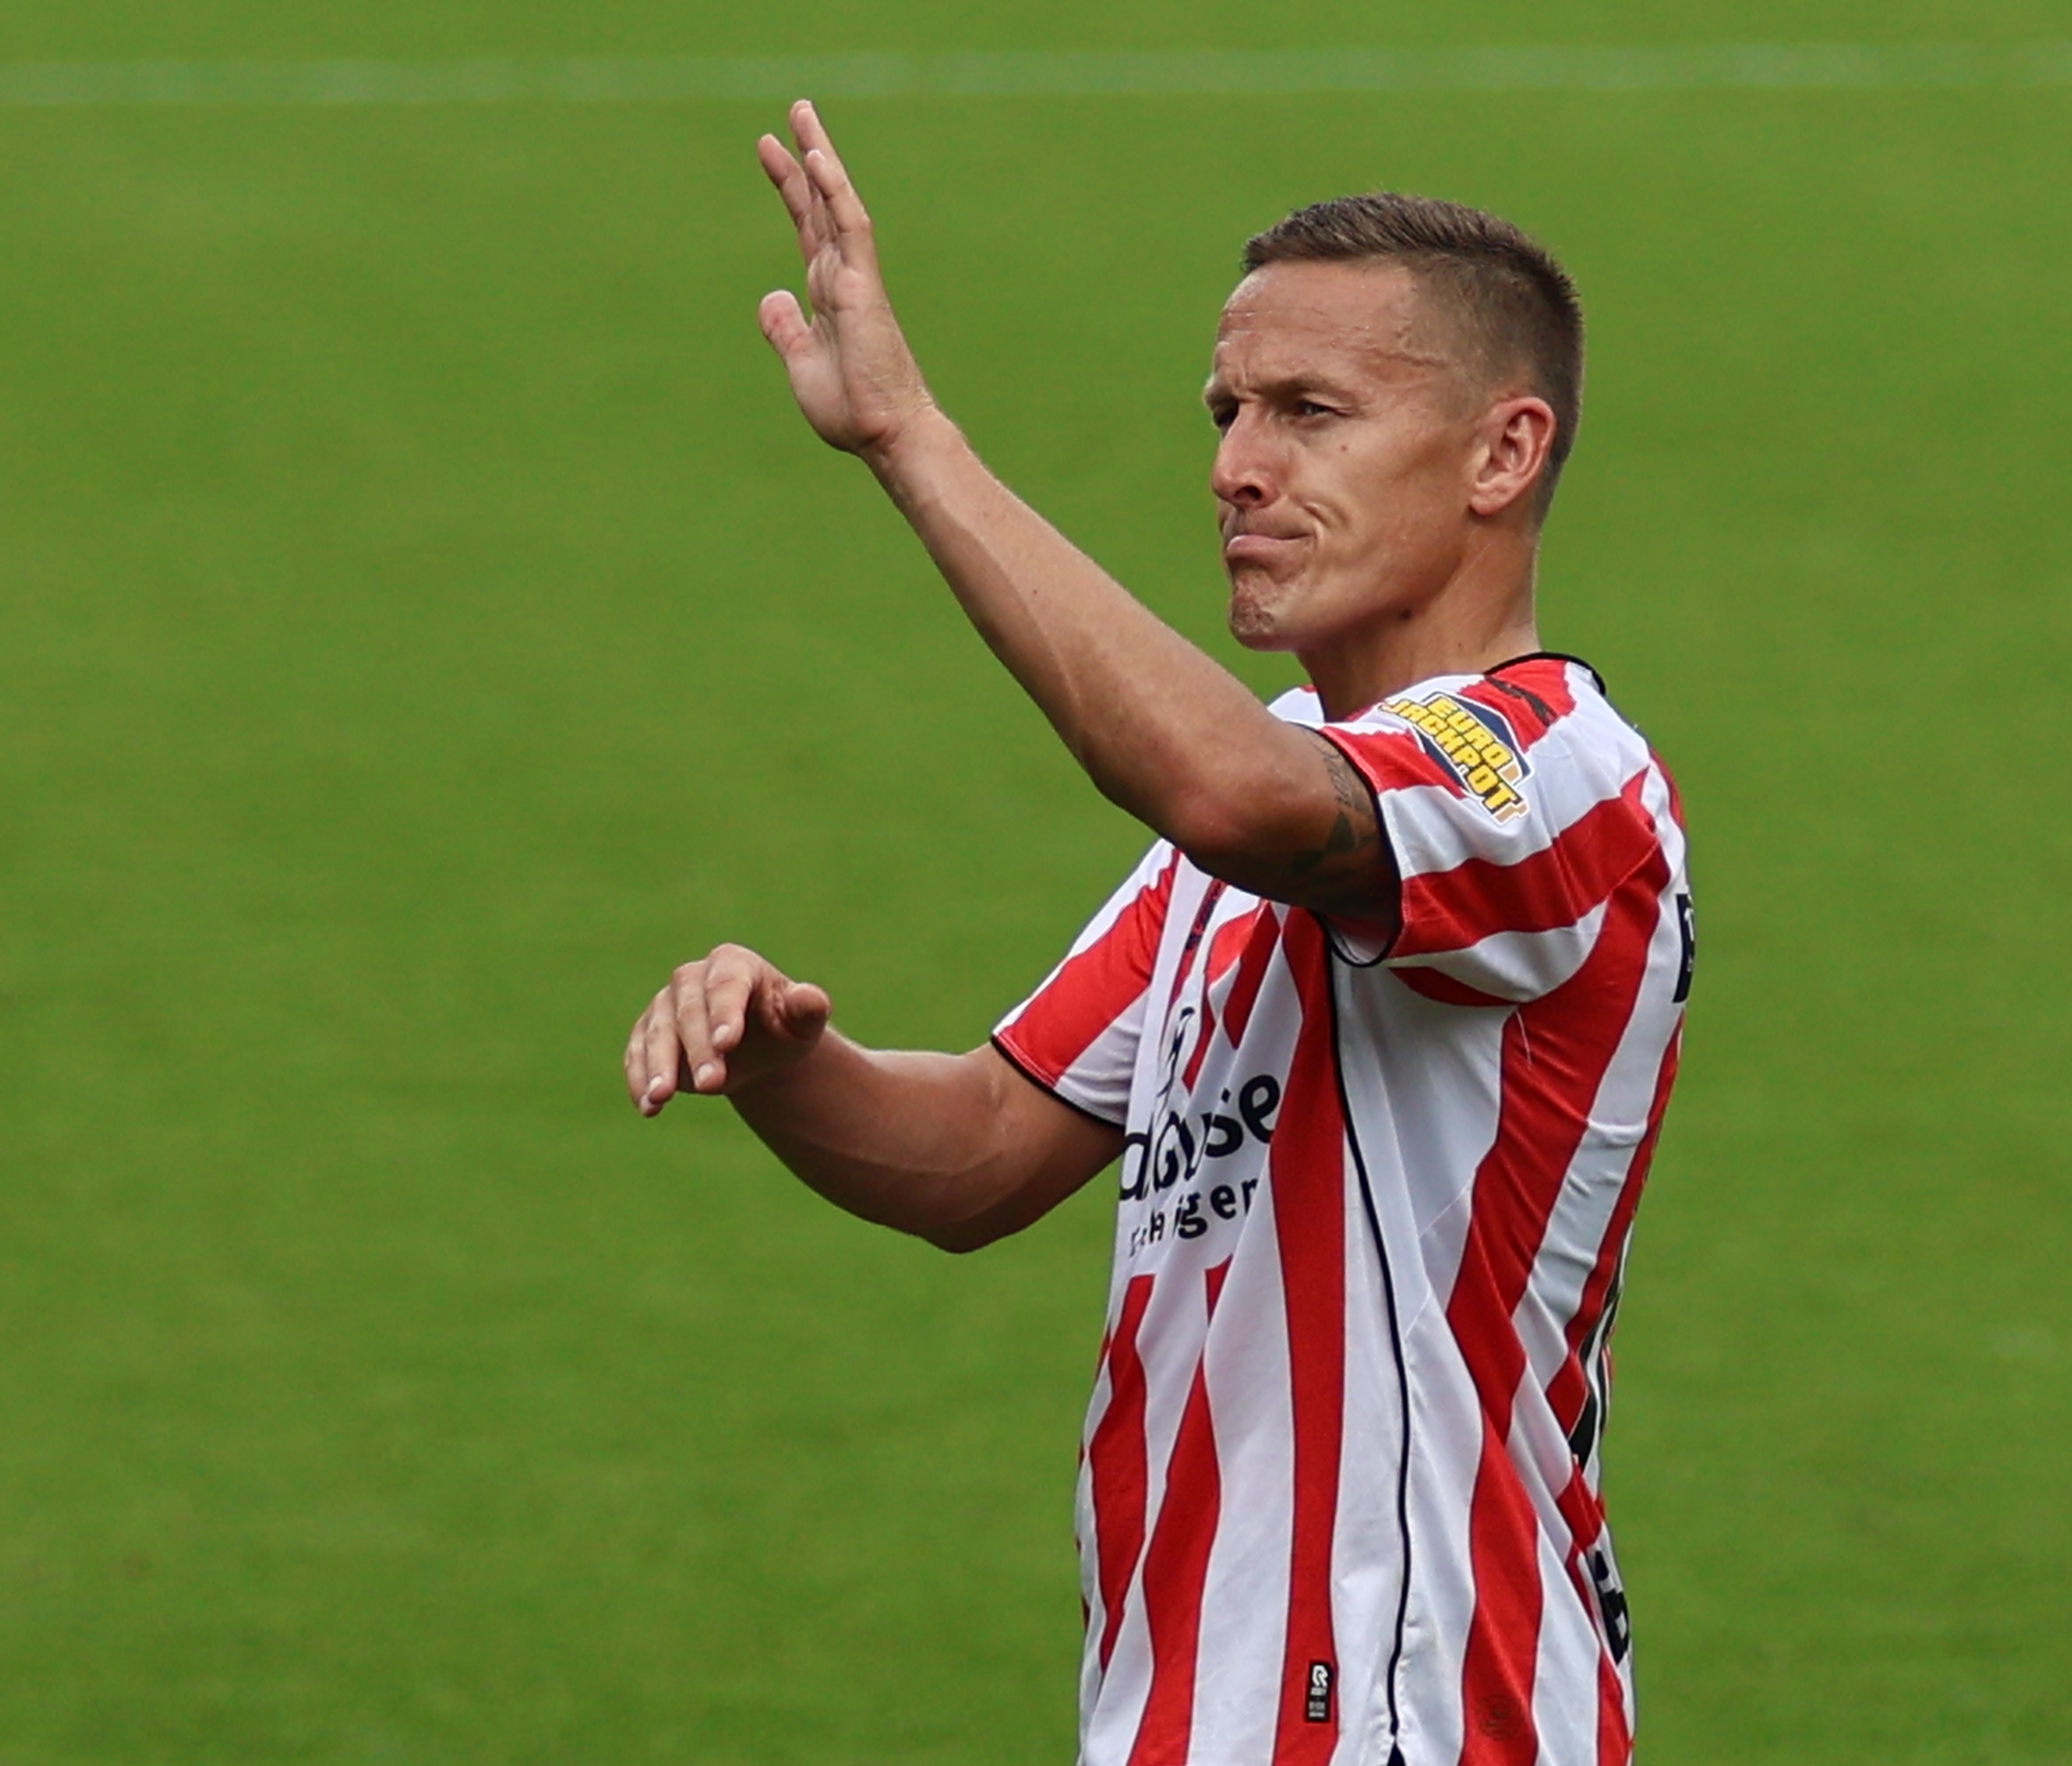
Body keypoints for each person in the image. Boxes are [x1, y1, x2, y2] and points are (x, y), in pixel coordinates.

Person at [623, 99, 1692, 1766]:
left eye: (1311, 413)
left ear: (1504, 454)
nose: (1237, 467)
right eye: (1228, 411)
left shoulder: (1556, 774)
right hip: (1184, 1714)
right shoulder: (1257, 823)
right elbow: (979, 1155)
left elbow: (1228, 791)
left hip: (1413, 1715)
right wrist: (780, 1064)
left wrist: (911, 436)